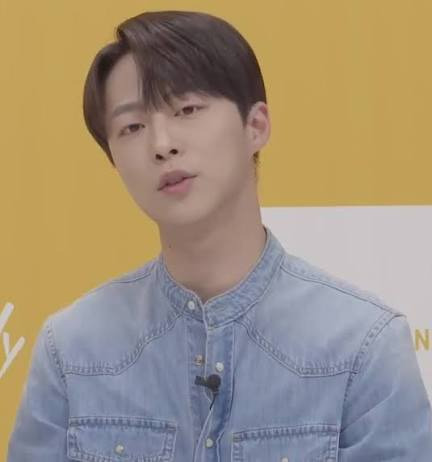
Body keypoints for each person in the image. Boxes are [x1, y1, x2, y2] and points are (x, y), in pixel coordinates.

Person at [7, 10, 432, 462]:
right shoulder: (72, 351)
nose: (162, 144)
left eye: (186, 109)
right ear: (113, 160)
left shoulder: (362, 346)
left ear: (256, 126)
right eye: (132, 127)